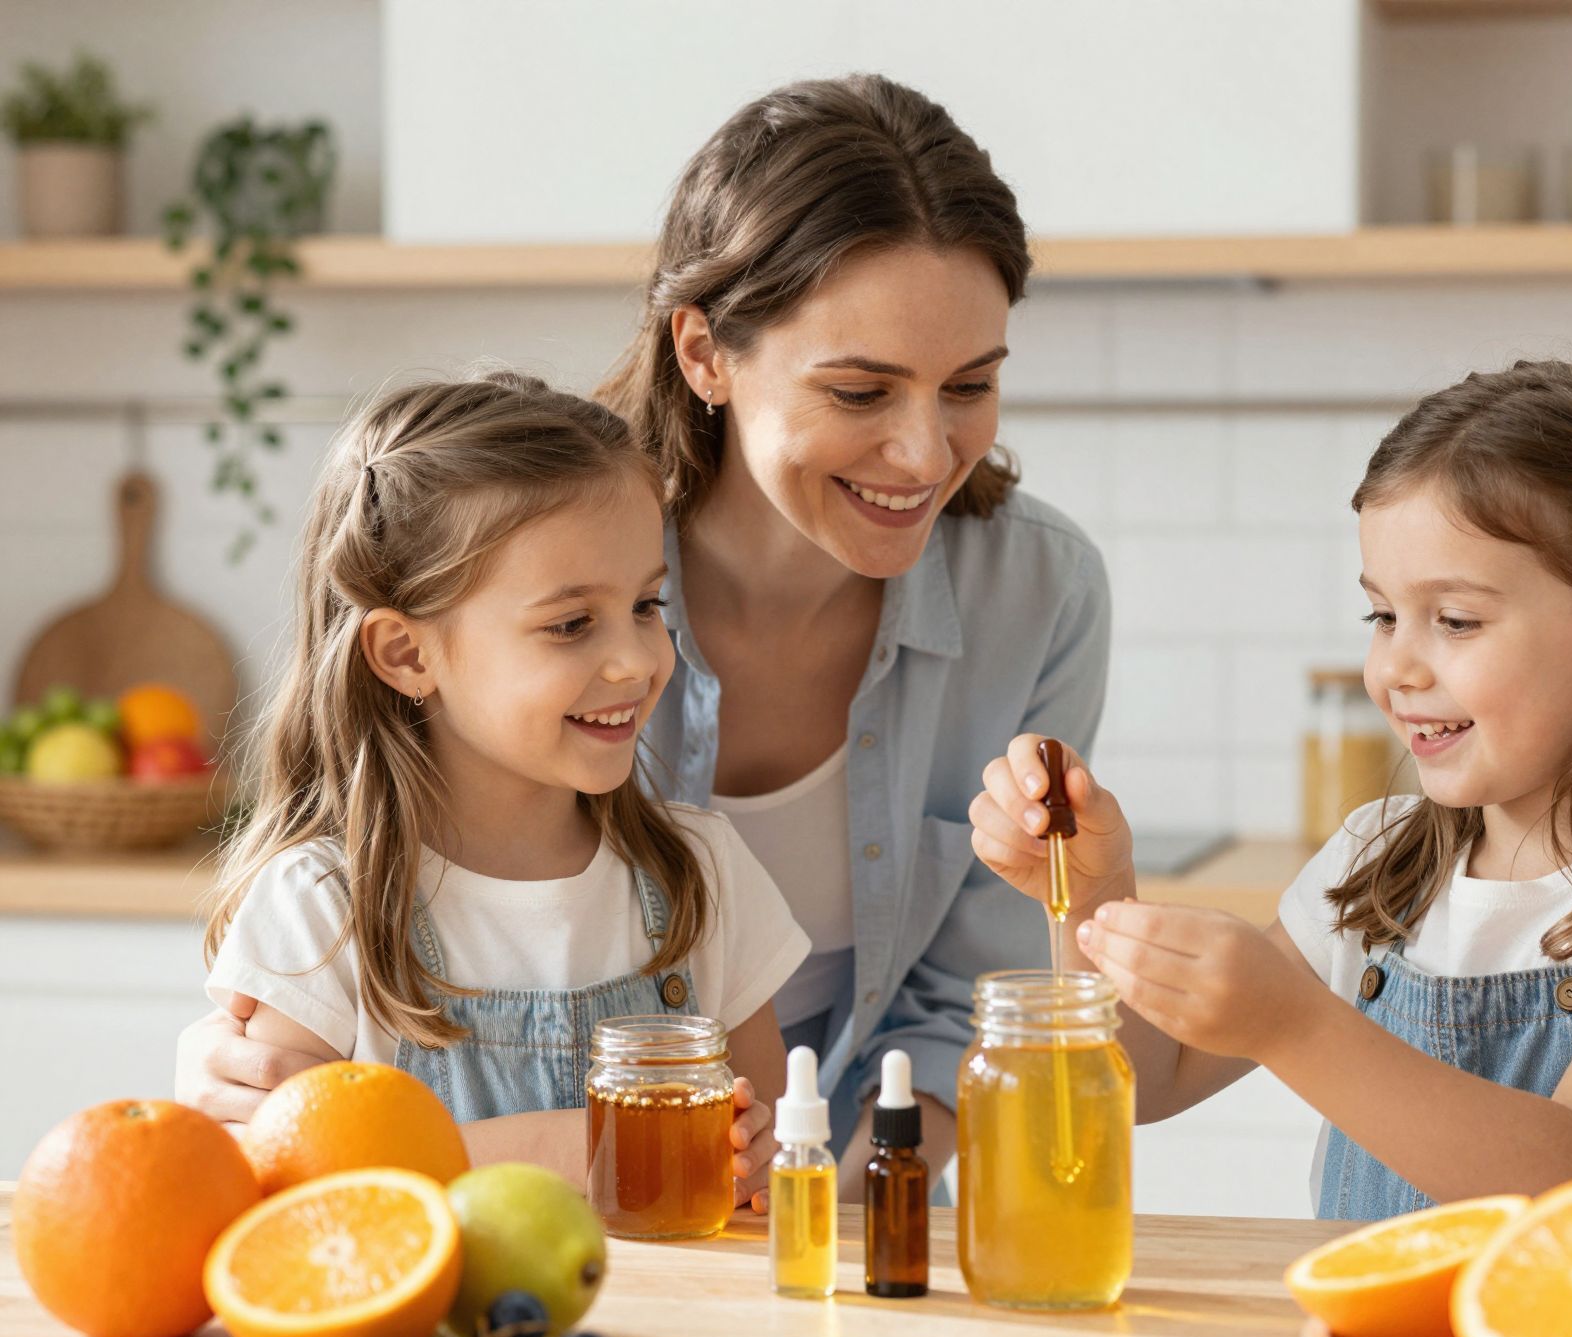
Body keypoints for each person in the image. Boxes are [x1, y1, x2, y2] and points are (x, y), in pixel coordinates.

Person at [180, 75, 1110, 1197]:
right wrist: (262, 1092)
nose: (923, 452)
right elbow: (286, 1111)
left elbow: (973, 994)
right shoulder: (550, 541)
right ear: (706, 353)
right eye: (860, 392)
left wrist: (833, 1203)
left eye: (969, 385)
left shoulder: (1038, 590)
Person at [970, 358, 1572, 1221]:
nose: (1394, 666)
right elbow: (1148, 1079)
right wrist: (1090, 894)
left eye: (1456, 621)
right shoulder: (1380, 857)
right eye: (1383, 615)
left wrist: (1294, 1026)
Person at [199, 371, 808, 1199]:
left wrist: (760, 1151)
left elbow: (771, 1180)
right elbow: (291, 1190)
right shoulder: (322, 913)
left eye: (646, 604)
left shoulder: (703, 874)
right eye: (569, 625)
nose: (637, 660)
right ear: (408, 655)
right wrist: (590, 1146)